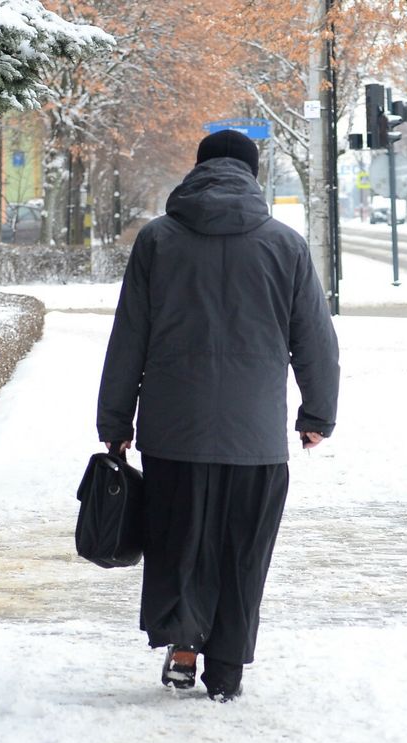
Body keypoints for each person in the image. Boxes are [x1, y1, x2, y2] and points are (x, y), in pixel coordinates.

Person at [96, 129, 339, 702]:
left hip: (172, 432)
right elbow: (316, 341)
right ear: (253, 176)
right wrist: (317, 413)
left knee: (180, 542)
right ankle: (225, 669)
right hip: (253, 438)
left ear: (197, 169)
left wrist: (115, 422)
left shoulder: (157, 240)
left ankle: (183, 649)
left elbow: (128, 336)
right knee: (242, 551)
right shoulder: (286, 245)